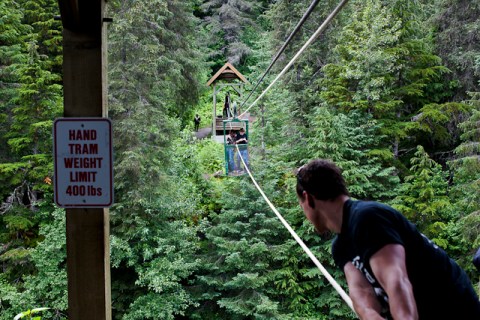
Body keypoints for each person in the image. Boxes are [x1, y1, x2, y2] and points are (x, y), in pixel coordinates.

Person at [296, 159, 480, 320]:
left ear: (308, 198)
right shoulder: (341, 246)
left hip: (454, 310)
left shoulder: (368, 218)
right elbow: (362, 293)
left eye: (301, 205)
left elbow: (396, 281)